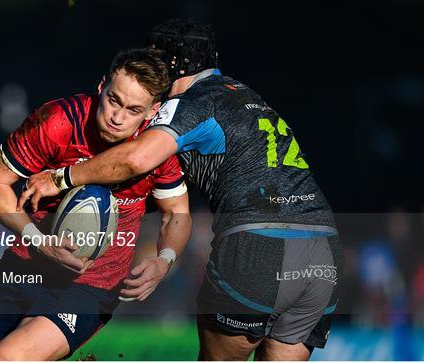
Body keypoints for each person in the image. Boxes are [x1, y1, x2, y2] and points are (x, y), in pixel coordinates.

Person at [20, 20, 343, 360]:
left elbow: (136, 159)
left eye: (155, 62)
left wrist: (62, 177)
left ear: (172, 63)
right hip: (324, 249)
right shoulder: (247, 95)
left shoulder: (193, 100)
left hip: (258, 245)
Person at [0, 48, 192, 361]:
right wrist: (40, 242)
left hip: (89, 287)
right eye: (114, 100)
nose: (117, 117)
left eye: (133, 110)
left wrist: (164, 260)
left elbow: (176, 214)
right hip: (24, 268)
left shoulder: (156, 149)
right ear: (102, 87)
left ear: (152, 111)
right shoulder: (58, 122)